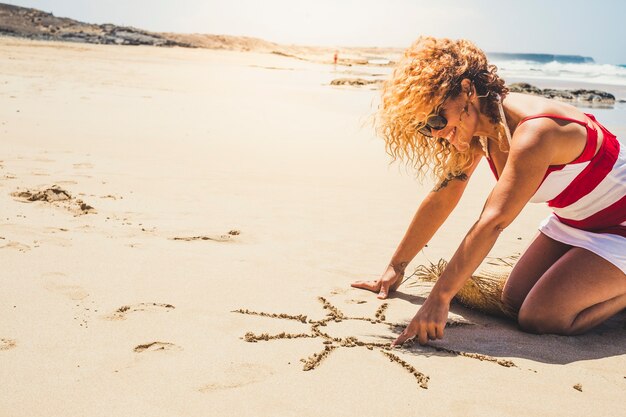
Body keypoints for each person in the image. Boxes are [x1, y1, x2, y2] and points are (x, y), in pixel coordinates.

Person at [350, 37, 626, 347]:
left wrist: (440, 298)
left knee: (540, 317)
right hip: (575, 221)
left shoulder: (536, 130)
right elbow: (444, 196)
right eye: (426, 127)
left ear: (467, 89)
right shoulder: (479, 130)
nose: (437, 132)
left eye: (438, 118)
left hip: (622, 225)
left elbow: (493, 220)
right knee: (514, 298)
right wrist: (395, 268)